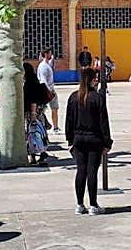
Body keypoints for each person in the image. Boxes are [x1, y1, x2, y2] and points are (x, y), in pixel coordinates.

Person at [66, 67, 112, 214]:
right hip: (94, 139)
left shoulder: (73, 97)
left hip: (78, 139)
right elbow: (103, 122)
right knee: (92, 171)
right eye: (95, 78)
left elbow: (69, 121)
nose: (97, 80)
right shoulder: (98, 98)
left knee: (81, 171)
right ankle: (93, 205)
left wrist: (70, 140)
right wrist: (107, 142)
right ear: (91, 80)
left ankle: (79, 204)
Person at [23, 60, 51, 165]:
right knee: (38, 132)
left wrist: (33, 114)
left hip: (32, 112)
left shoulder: (30, 83)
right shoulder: (34, 80)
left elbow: (32, 99)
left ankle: (33, 156)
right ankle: (42, 152)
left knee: (31, 134)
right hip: (37, 111)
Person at [36, 50, 59, 132]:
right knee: (43, 110)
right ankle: (47, 126)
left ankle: (55, 127)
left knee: (54, 108)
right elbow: (43, 81)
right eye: (50, 53)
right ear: (46, 54)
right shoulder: (43, 66)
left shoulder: (48, 64)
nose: (51, 55)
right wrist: (49, 92)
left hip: (50, 89)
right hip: (46, 91)